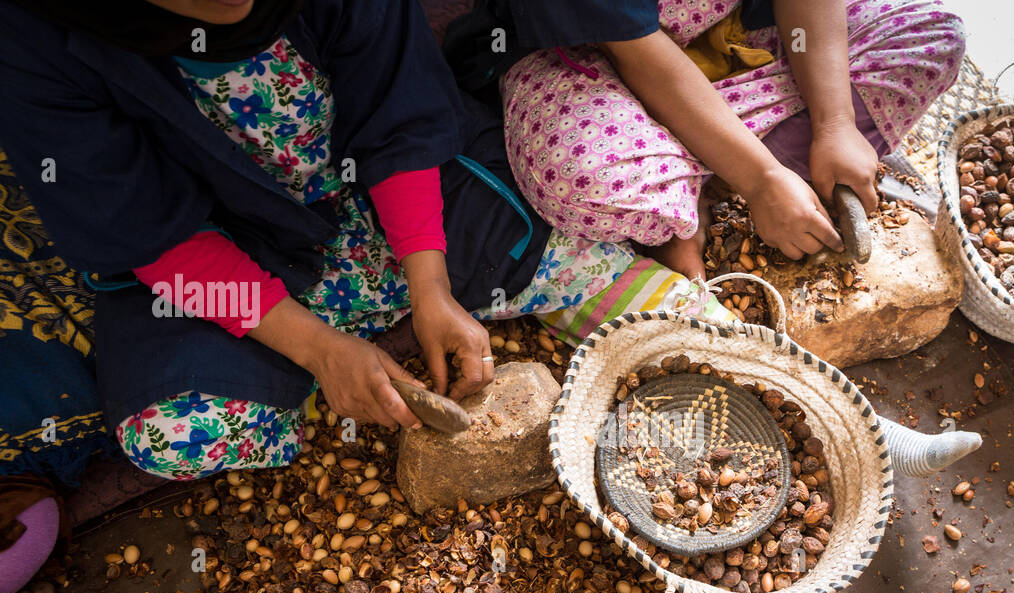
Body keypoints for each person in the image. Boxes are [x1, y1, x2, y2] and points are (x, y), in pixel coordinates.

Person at [0, 0, 728, 487]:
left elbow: (399, 116)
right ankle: (340, 373)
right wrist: (316, 346)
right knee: (174, 429)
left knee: (524, 240)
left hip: (380, 200)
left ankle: (401, 336)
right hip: (236, 261)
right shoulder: (34, 37)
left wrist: (429, 284)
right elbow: (149, 235)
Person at [445, 0, 966, 277]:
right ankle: (710, 179)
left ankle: (692, 177)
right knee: (582, 176)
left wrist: (836, 122)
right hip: (585, 62)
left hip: (735, 33)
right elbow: (640, 56)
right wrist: (761, 180)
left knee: (932, 32)